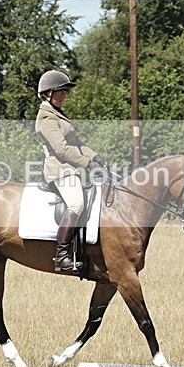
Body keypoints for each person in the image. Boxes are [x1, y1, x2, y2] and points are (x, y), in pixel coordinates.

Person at [35, 70, 108, 273]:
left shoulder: (59, 115)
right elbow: (61, 149)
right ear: (48, 93)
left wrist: (95, 157)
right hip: (59, 169)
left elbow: (77, 143)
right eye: (61, 92)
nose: (64, 96)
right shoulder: (46, 117)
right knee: (77, 203)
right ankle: (62, 256)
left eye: (65, 92)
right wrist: (87, 163)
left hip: (71, 167)